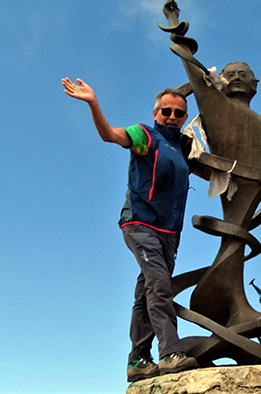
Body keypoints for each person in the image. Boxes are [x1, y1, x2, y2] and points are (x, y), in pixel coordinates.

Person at [61, 77, 199, 382]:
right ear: (155, 113)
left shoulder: (182, 146)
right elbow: (110, 135)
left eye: (178, 113)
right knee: (160, 284)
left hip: (169, 234)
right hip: (140, 224)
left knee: (146, 292)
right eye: (166, 111)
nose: (172, 117)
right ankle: (170, 353)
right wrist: (93, 103)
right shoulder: (144, 135)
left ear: (185, 117)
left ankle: (137, 360)